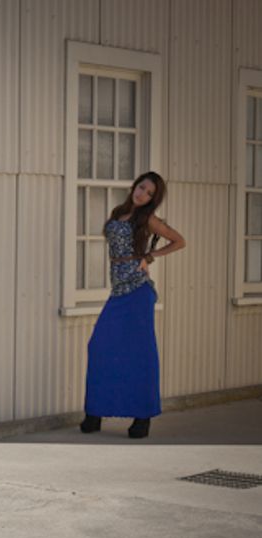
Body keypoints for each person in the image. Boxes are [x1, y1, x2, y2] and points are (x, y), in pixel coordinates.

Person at [81, 171, 186, 439]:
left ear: (153, 199)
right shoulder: (118, 212)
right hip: (118, 292)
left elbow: (179, 241)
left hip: (138, 292)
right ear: (134, 186)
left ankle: (143, 417)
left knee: (141, 354)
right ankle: (95, 412)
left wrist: (150, 257)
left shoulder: (148, 219)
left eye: (149, 193)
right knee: (99, 346)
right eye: (142, 187)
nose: (142, 194)